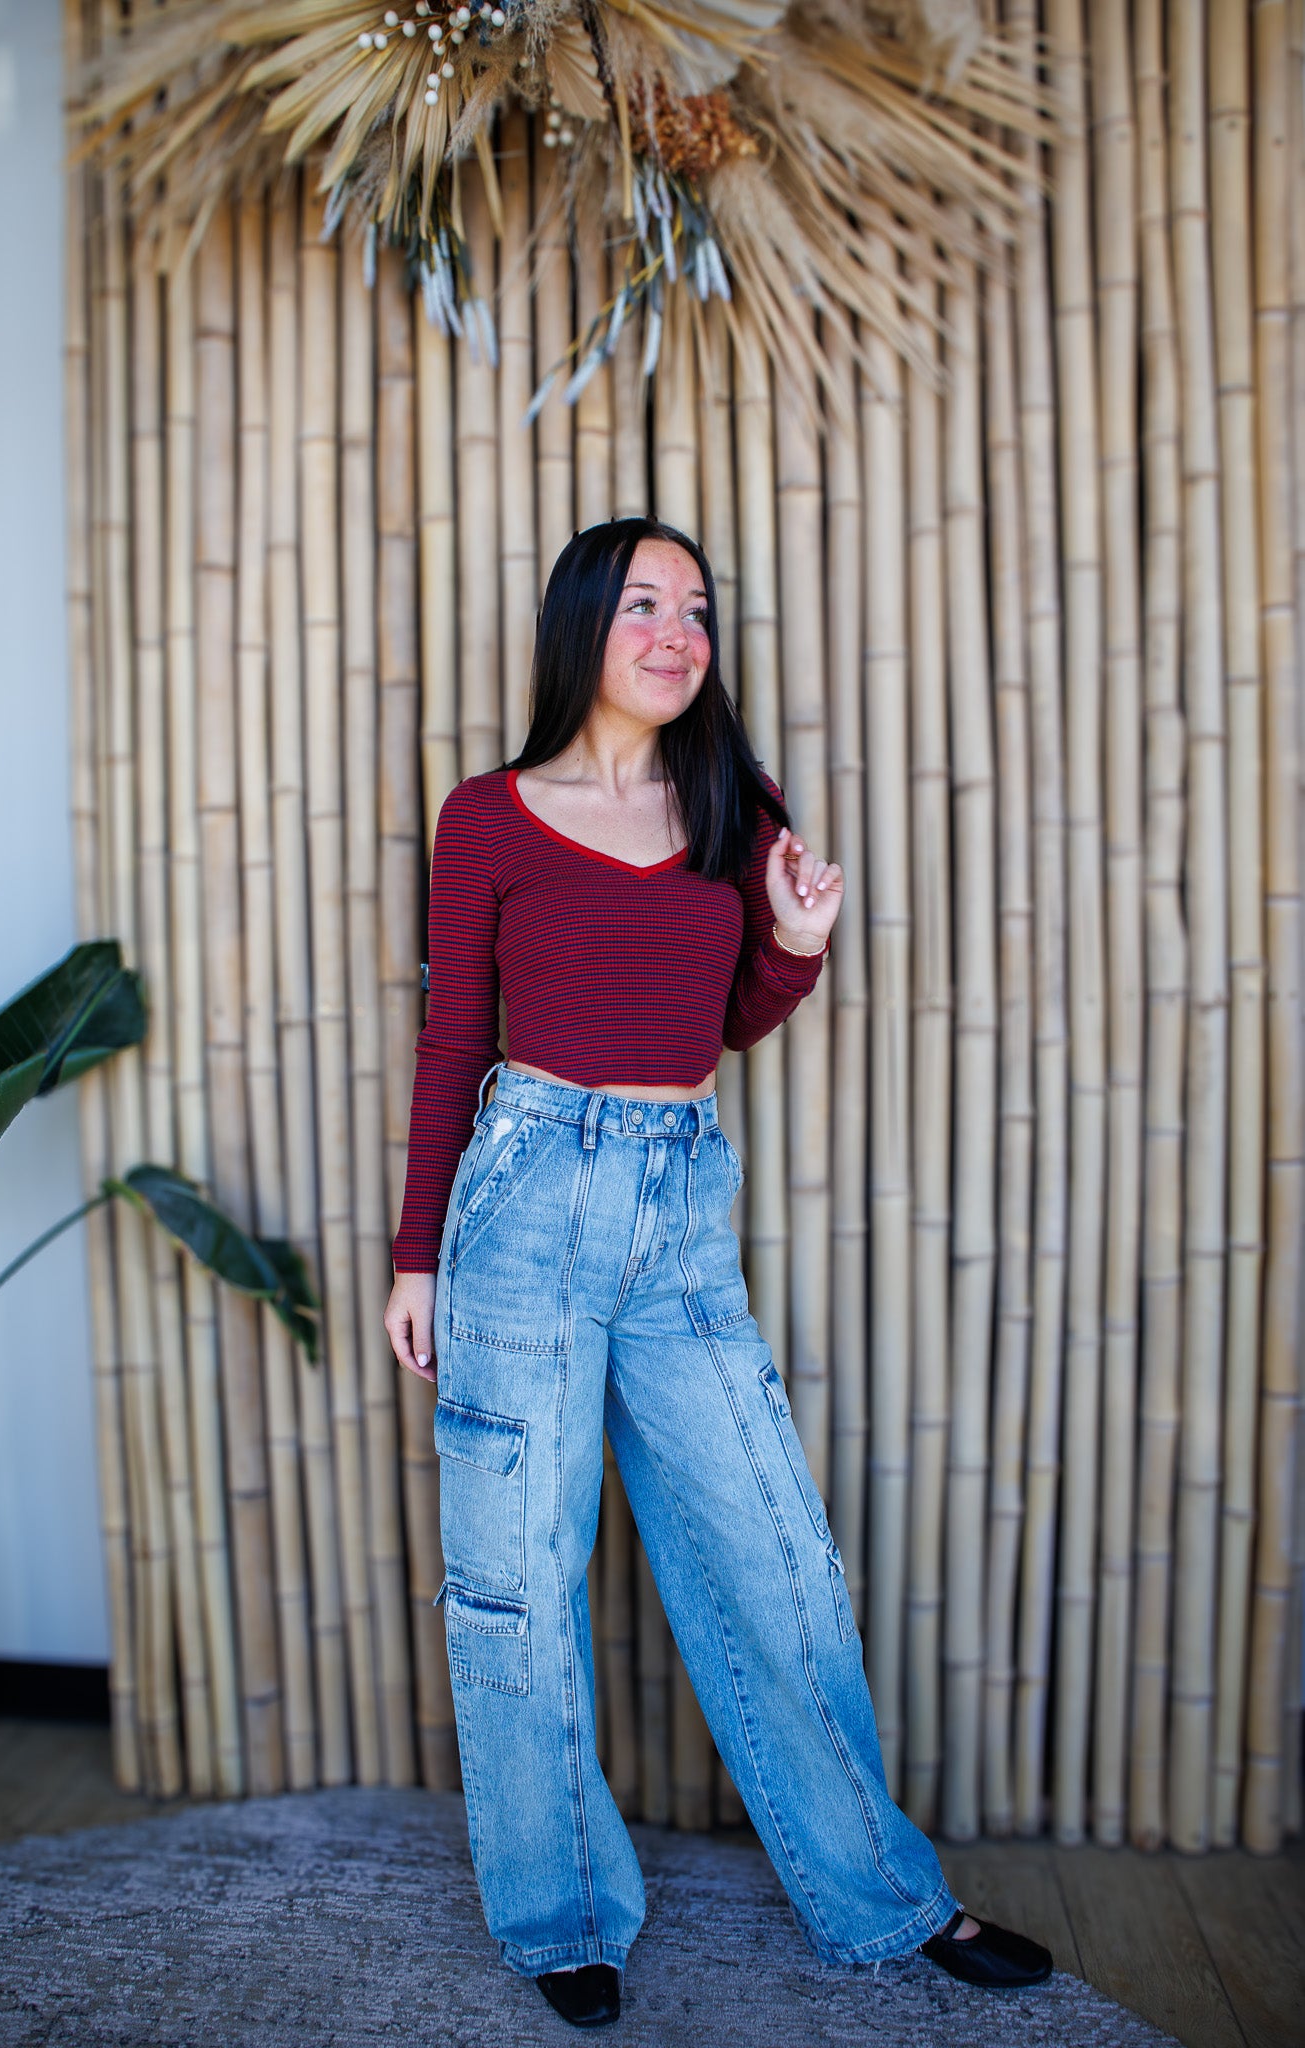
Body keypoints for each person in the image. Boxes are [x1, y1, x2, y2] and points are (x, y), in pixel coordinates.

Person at [384, 518, 1051, 2028]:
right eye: (642, 604)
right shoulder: (486, 815)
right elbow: (452, 1044)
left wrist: (798, 942)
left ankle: (884, 1905)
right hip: (527, 1202)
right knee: (518, 1588)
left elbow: (726, 1014)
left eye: (694, 607)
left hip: (683, 1213)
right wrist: (416, 1253)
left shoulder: (725, 800)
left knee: (776, 1565)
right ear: (580, 628)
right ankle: (560, 1918)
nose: (676, 632)